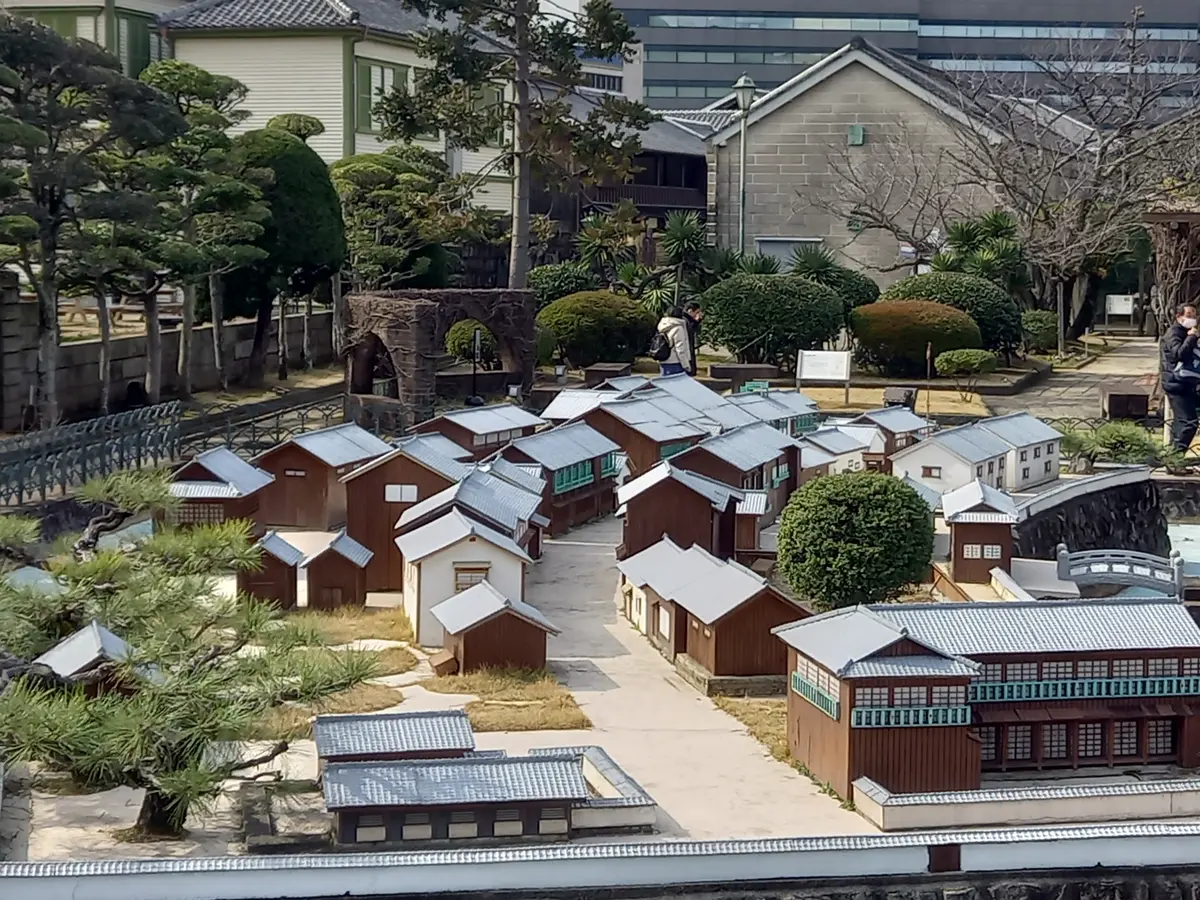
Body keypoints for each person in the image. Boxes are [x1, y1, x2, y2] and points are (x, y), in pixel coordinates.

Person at [1162, 303, 1200, 452]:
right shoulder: (1173, 334)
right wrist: (1191, 338)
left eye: (1194, 315)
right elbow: (1179, 354)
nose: (1192, 318)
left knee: (1181, 422)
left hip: (1187, 383)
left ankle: (1172, 459)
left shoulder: (1187, 332)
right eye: (1188, 315)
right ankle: (1175, 457)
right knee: (1188, 422)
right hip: (1176, 383)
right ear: (1179, 317)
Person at [655, 306, 694, 376]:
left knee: (664, 383)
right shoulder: (678, 328)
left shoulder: (662, 325)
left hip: (663, 359)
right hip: (675, 362)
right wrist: (686, 365)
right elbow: (680, 349)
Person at [683, 301, 703, 376]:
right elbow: (689, 331)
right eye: (697, 312)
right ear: (690, 311)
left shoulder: (688, 320)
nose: (697, 315)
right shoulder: (684, 320)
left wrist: (697, 321)